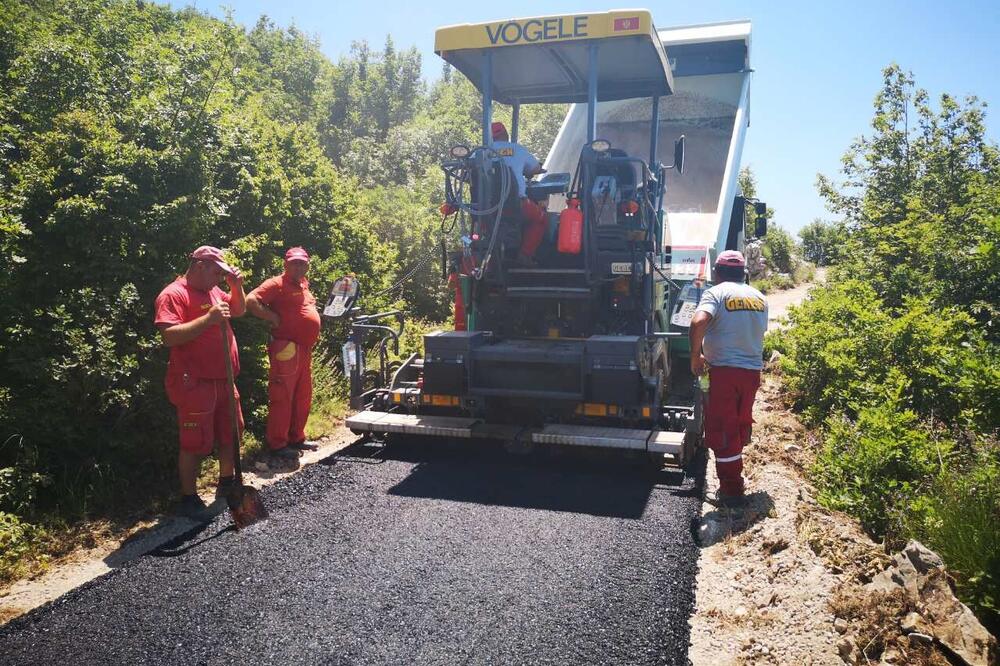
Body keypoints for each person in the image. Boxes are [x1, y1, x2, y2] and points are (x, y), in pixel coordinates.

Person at [154, 245, 246, 520]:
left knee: (231, 431)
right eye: (217, 272)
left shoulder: (214, 290)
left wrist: (235, 285)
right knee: (194, 441)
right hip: (194, 382)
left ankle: (226, 482)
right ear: (199, 265)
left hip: (224, 379)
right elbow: (169, 336)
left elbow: (238, 310)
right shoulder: (174, 294)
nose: (219, 277)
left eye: (222, 273)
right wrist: (208, 319)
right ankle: (188, 496)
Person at [688, 250, 768, 510]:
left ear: (718, 272)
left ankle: (731, 493)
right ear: (743, 272)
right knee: (740, 421)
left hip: (724, 372)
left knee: (722, 430)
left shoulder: (717, 293)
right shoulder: (759, 298)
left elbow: (698, 321)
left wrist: (695, 357)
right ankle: (735, 468)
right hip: (752, 372)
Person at [246, 247, 322, 462]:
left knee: (302, 395)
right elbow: (251, 300)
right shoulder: (276, 284)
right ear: (286, 264)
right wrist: (271, 317)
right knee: (283, 396)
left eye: (302, 263)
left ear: (307, 264)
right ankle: (277, 444)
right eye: (294, 263)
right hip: (286, 347)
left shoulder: (303, 284)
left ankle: (296, 438)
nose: (298, 266)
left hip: (303, 348)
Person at [491, 121, 548, 264]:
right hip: (516, 204)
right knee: (540, 219)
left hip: (488, 208)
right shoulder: (517, 149)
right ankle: (525, 255)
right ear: (506, 134)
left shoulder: (481, 151)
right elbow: (534, 168)